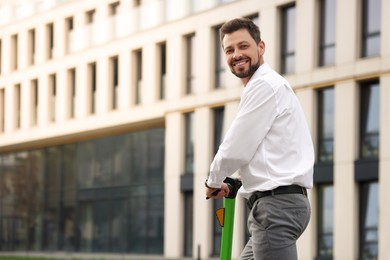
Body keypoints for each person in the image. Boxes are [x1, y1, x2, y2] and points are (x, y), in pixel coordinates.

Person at [205, 18, 314, 260]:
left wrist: (213, 180)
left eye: (244, 46)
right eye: (229, 50)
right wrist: (239, 180)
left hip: (276, 209)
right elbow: (270, 151)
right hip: (276, 207)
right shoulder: (267, 86)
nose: (236, 54)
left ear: (260, 47)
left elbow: (235, 148)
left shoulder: (264, 86)